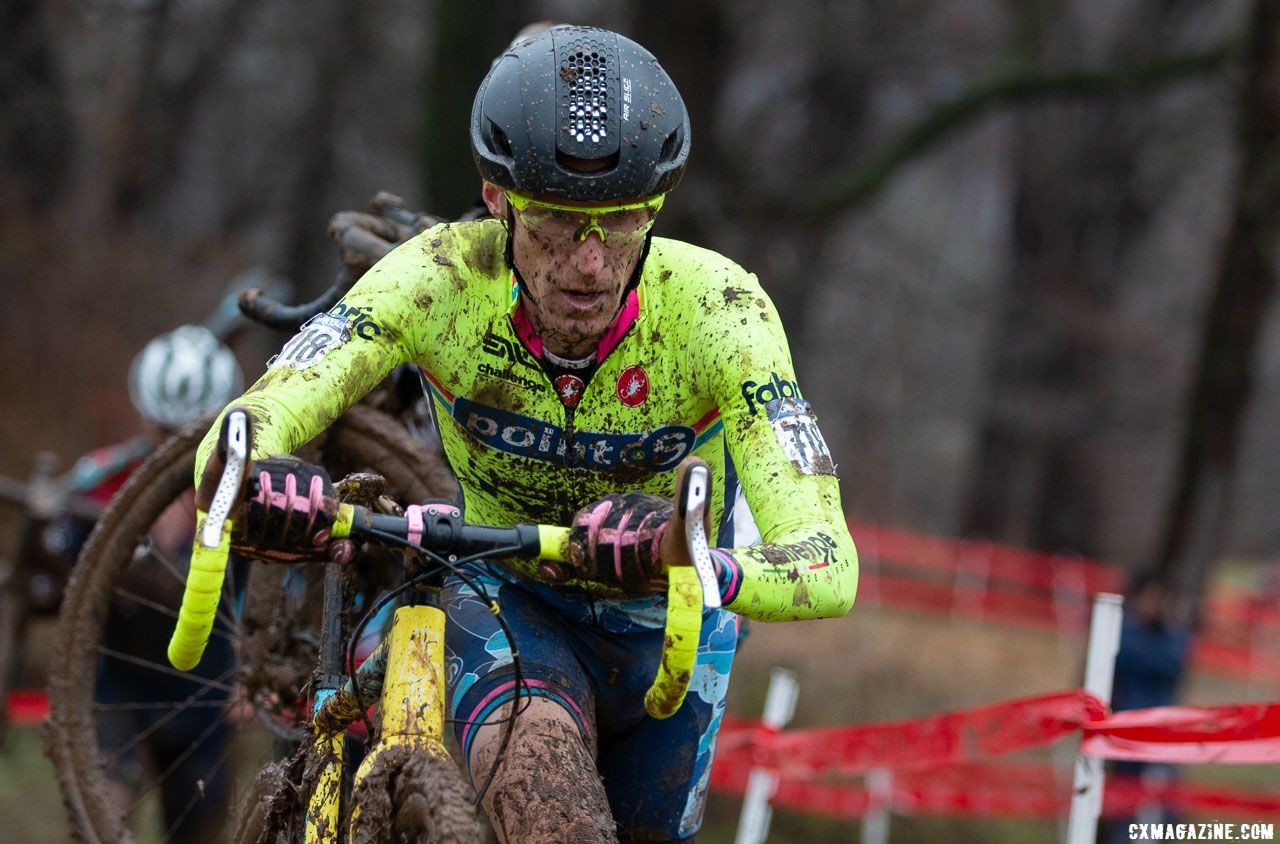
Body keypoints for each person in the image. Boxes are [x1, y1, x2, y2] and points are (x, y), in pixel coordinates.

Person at [196, 25, 857, 842]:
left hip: (674, 632)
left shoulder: (721, 313)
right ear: (495, 197)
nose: (589, 264)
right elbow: (261, 411)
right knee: (555, 816)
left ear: (656, 210)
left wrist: (695, 558)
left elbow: (828, 562)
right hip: (512, 600)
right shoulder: (438, 278)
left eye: (620, 224)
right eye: (556, 223)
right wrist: (263, 471)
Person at [52, 324, 244, 843]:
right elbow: (58, 580)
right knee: (97, 821)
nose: (174, 451)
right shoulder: (98, 479)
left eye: (193, 436)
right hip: (116, 691)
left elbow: (278, 590)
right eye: (162, 433)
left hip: (207, 699)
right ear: (143, 418)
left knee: (198, 830)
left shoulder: (249, 491)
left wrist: (256, 671)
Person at [1102, 572, 1192, 841]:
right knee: (1126, 811)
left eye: (1161, 597)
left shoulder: (1172, 635)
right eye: (1151, 596)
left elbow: (1173, 663)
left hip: (1166, 735)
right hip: (1128, 735)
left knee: (1165, 813)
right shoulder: (1123, 632)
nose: (1156, 604)